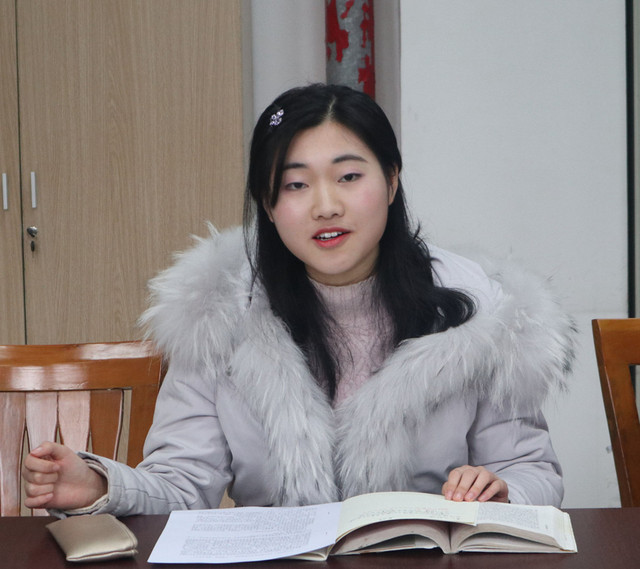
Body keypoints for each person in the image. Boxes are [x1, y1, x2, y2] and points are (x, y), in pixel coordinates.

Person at [22, 84, 575, 517]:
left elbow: (532, 472)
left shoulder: (484, 315)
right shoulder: (217, 313)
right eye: (296, 185)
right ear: (268, 204)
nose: (325, 205)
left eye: (349, 176)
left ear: (391, 181)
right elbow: (184, 485)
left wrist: (500, 490)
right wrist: (102, 484)